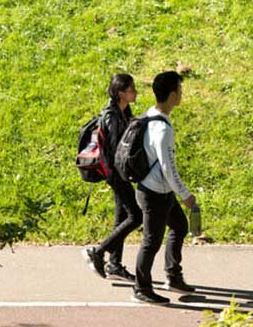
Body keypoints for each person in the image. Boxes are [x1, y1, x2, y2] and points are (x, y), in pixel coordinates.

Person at [131, 70, 198, 305]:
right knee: (151, 241)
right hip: (154, 194)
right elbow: (169, 169)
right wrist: (186, 195)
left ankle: (172, 275)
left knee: (179, 226)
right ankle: (141, 288)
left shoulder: (150, 115)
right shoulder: (162, 130)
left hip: (161, 191)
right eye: (180, 90)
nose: (181, 94)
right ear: (172, 95)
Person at [83, 74, 142, 281]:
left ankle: (114, 265)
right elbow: (119, 151)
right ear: (120, 93)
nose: (135, 92)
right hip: (116, 174)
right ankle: (98, 252)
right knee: (136, 216)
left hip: (120, 173)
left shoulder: (123, 111)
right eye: (131, 89)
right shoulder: (112, 116)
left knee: (121, 218)